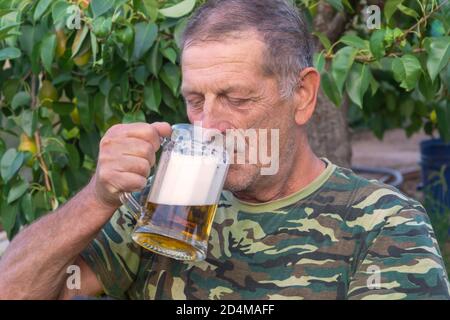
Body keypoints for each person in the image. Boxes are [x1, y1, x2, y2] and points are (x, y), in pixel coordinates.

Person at [0, 0, 449, 300]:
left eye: (236, 99)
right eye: (195, 100)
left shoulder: (384, 224)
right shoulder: (160, 206)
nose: (207, 126)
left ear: (304, 96)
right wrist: (97, 198)